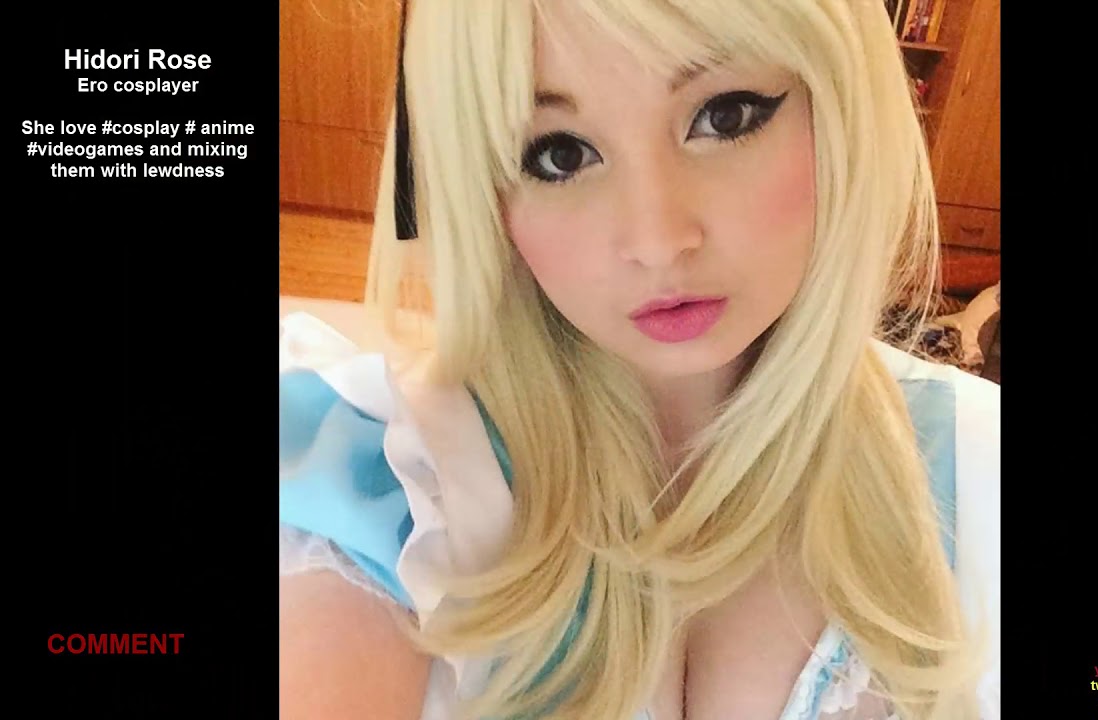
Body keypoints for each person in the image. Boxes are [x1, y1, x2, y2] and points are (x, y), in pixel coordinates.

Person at [279, 1, 1000, 718]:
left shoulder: (976, 462)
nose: (657, 240)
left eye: (725, 116)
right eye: (559, 155)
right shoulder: (390, 480)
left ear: (841, 103)